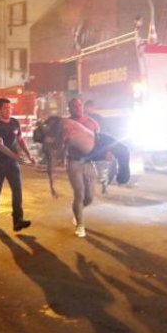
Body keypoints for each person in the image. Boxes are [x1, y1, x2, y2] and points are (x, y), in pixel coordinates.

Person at [0, 98, 34, 232]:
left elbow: (20, 140)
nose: (9, 110)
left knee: (17, 189)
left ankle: (17, 220)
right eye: (5, 108)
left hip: (12, 163)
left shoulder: (15, 122)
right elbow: (0, 146)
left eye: (10, 107)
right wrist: (17, 157)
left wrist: (28, 154)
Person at [67, 98, 100, 238]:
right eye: (74, 106)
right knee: (79, 194)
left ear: (83, 106)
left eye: (79, 105)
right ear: (70, 108)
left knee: (89, 197)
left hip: (89, 163)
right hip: (74, 163)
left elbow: (99, 142)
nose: (77, 108)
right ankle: (80, 225)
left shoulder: (92, 123)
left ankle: (77, 210)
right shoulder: (66, 124)